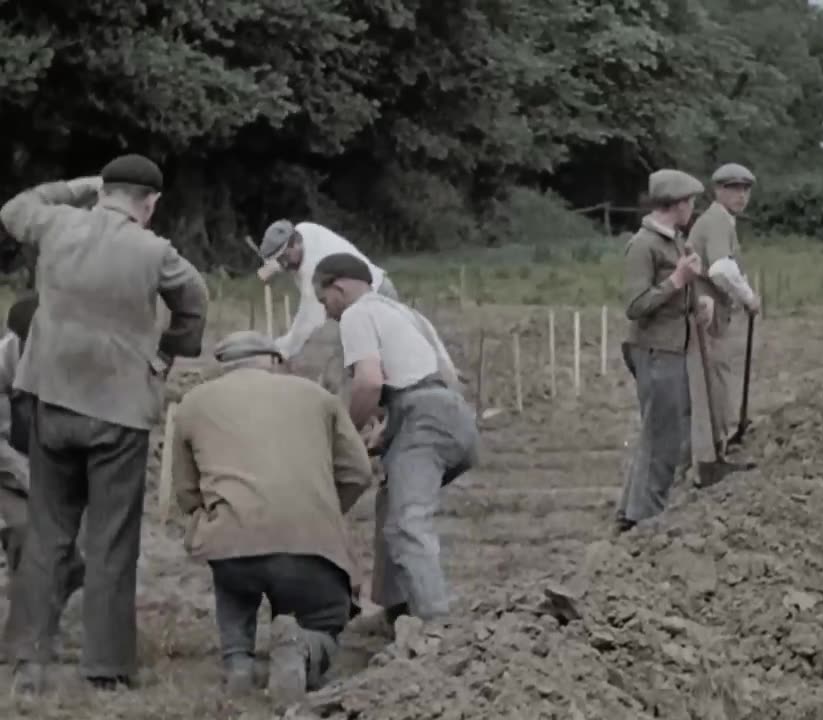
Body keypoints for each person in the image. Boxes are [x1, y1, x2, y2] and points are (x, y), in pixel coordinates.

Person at [0, 154, 208, 692]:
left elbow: (14, 208)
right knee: (112, 539)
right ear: (152, 203)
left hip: (50, 400)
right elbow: (195, 298)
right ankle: (106, 668)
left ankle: (27, 658)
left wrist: (78, 185)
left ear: (104, 189)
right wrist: (169, 351)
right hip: (118, 410)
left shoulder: (57, 222)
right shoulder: (155, 251)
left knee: (47, 532)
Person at [170, 331, 372, 700]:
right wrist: (324, 510)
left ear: (224, 367)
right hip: (309, 542)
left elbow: (185, 493)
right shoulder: (318, 396)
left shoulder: (192, 403)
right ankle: (302, 648)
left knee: (232, 573)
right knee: (326, 616)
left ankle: (238, 664)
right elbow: (358, 472)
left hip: (232, 541)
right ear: (275, 361)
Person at [313, 253, 477, 625]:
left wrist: (348, 434)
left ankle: (436, 625)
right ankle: (396, 607)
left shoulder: (357, 314)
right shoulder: (404, 313)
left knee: (407, 521)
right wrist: (389, 432)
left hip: (425, 419)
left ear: (338, 287)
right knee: (391, 502)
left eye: (325, 301)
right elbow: (437, 378)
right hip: (455, 417)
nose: (327, 312)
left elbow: (369, 381)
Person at [618, 169, 715, 531]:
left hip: (673, 346)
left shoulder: (674, 241)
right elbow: (635, 304)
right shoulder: (643, 245)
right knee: (664, 442)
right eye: (690, 202)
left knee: (657, 434)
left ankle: (630, 515)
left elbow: (678, 295)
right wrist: (678, 281)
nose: (693, 209)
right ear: (675, 204)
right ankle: (648, 521)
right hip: (655, 350)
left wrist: (697, 304)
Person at [0, 296, 86, 663]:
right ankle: (22, 643)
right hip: (8, 469)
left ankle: (44, 627)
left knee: (73, 560)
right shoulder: (1, 363)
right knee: (26, 534)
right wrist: (31, 480)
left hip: (56, 466)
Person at [256, 220, 398, 397]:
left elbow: (310, 319)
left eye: (284, 259)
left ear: (295, 244)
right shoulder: (303, 230)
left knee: (378, 367)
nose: (284, 265)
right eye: (279, 260)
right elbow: (287, 256)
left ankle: (374, 411)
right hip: (360, 299)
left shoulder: (314, 268)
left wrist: (283, 349)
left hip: (376, 295)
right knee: (357, 362)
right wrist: (272, 266)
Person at [685, 163, 759, 472]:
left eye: (745, 189)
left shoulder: (720, 220)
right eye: (733, 189)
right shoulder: (717, 221)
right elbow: (720, 269)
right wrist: (749, 297)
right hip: (708, 318)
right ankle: (714, 455)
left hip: (712, 315)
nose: (740, 196)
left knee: (717, 381)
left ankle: (717, 447)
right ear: (718, 191)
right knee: (713, 385)